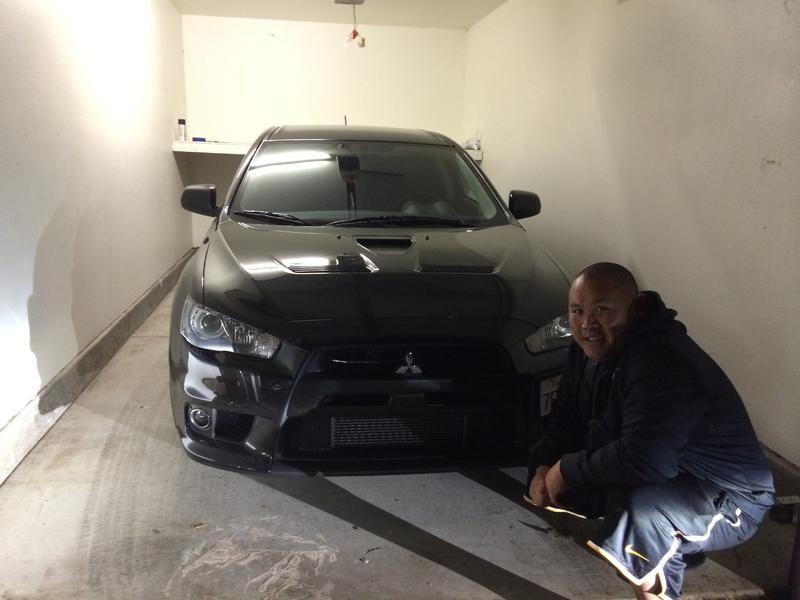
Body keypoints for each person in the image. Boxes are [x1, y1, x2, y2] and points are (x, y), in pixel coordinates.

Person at [526, 262, 774, 600]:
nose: (586, 324)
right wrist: (544, 464)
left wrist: (567, 470)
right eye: (577, 310)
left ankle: (661, 572)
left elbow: (647, 460)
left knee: (638, 514)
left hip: (732, 497)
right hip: (672, 470)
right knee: (577, 490)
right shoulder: (587, 351)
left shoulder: (661, 361)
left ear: (634, 310)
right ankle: (671, 550)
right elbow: (566, 418)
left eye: (601, 309)